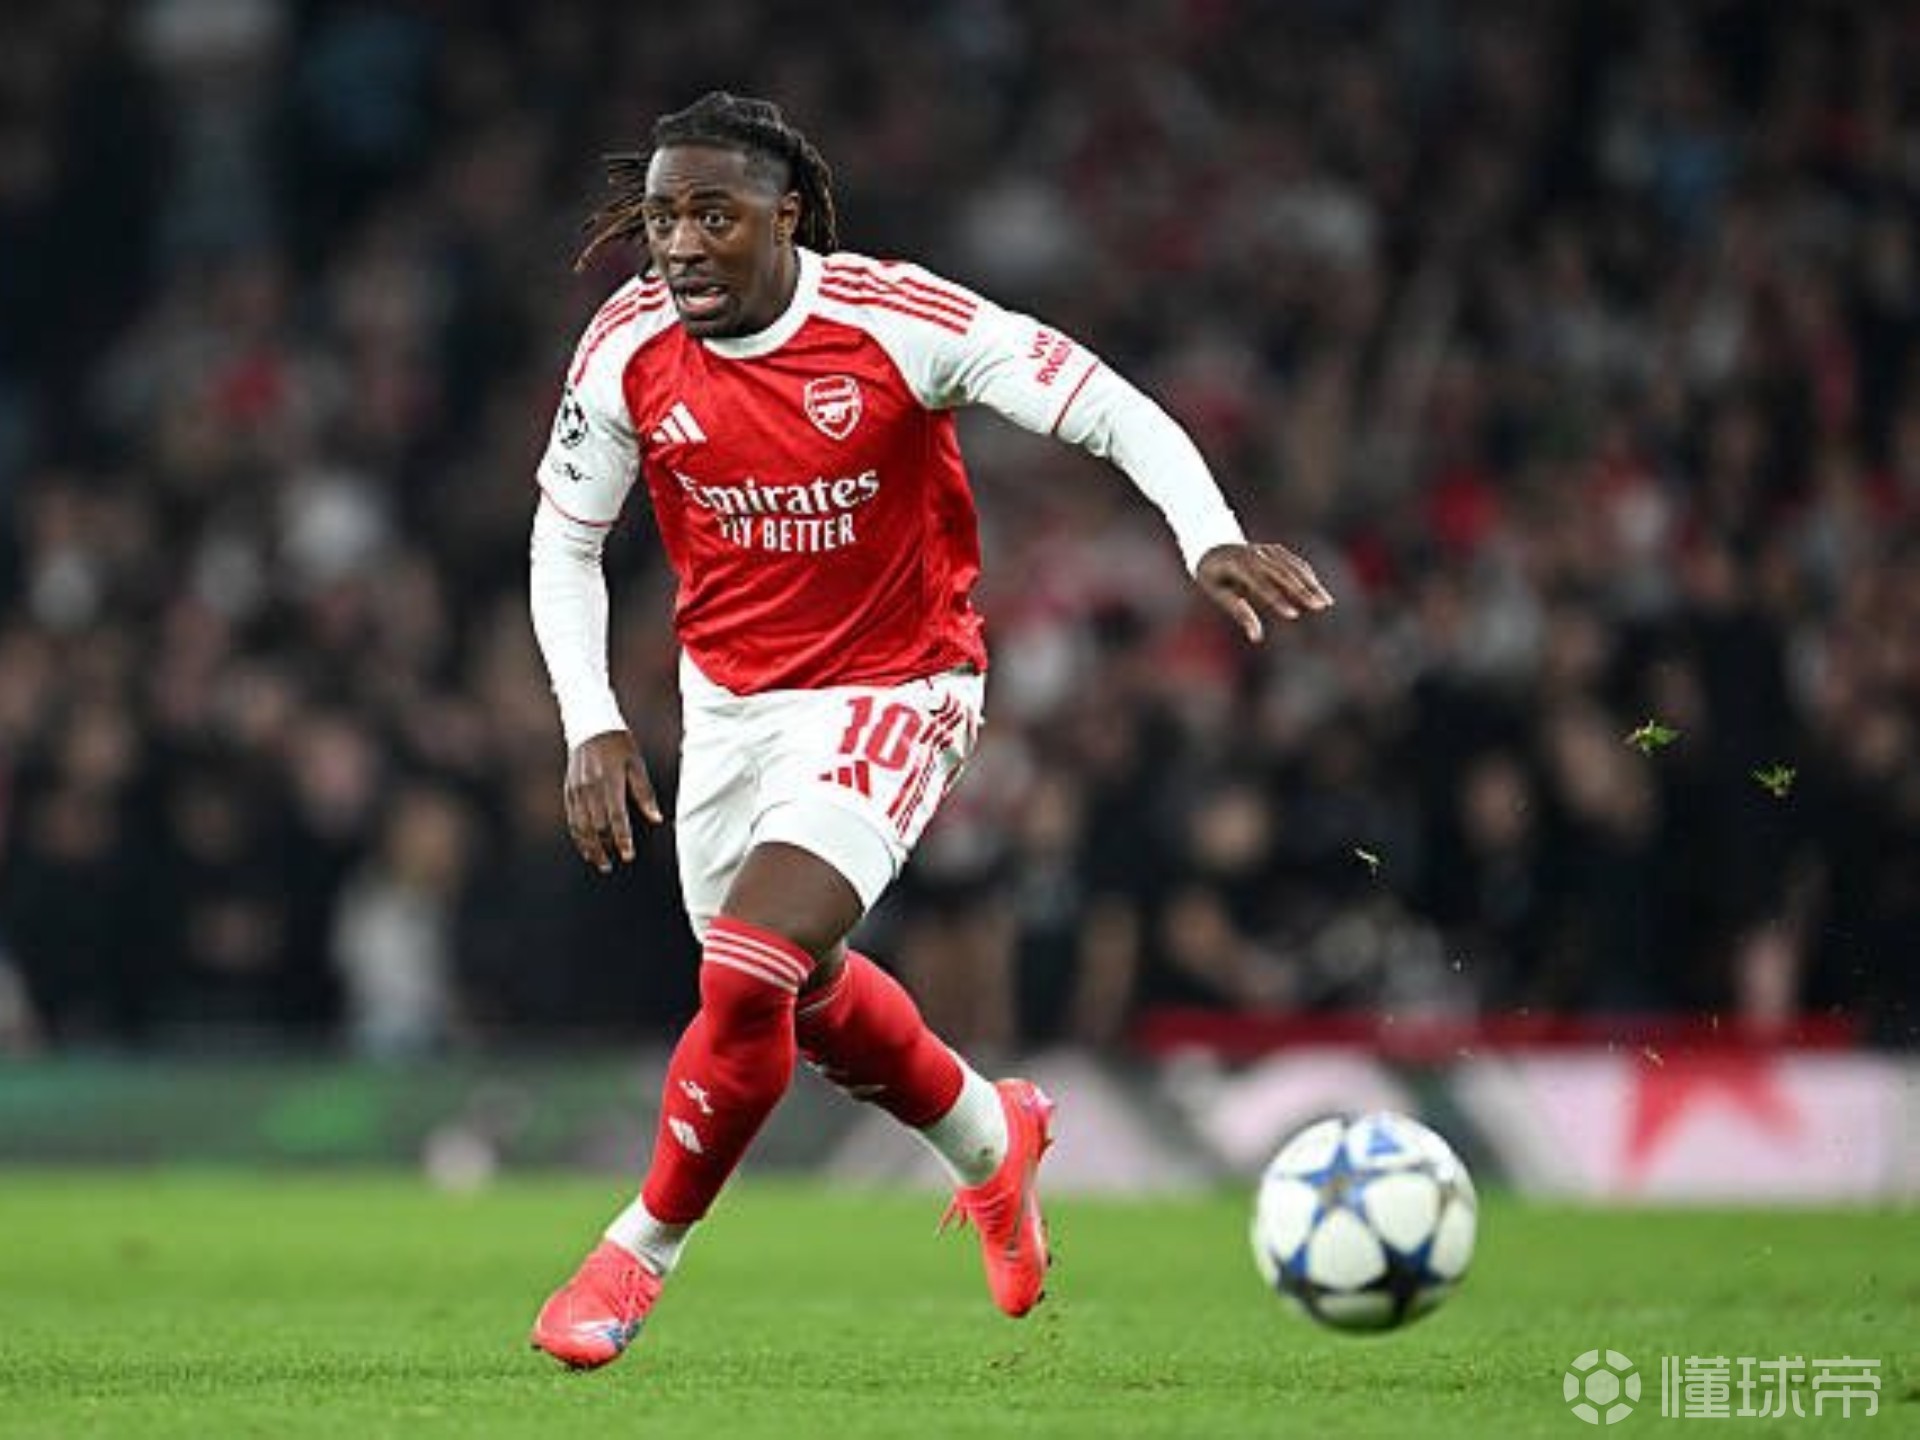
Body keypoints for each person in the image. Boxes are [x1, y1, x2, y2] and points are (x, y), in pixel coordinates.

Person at [525, 91, 1334, 1370]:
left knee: (747, 970)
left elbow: (1105, 402)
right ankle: (989, 1140)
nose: (679, 244)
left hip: (897, 687)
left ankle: (637, 1252)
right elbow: (566, 542)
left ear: (786, 216)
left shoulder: (893, 320)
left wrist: (1208, 535)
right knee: (794, 999)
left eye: (713, 216)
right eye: (663, 218)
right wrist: (592, 721)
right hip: (728, 704)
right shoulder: (628, 342)